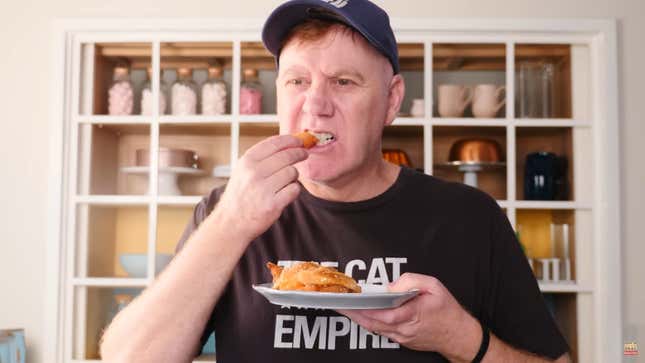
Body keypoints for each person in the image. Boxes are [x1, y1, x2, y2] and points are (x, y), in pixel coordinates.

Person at [100, 1, 572, 362]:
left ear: (391, 101)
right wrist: (230, 224)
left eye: (344, 82)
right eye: (297, 81)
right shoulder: (228, 210)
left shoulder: (470, 217)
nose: (315, 105)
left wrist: (462, 338)